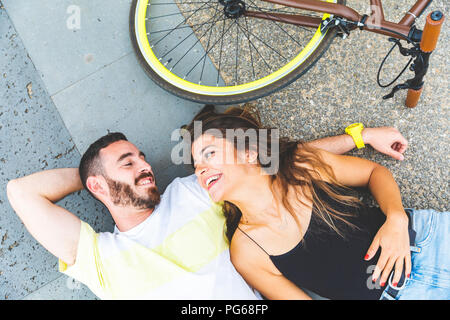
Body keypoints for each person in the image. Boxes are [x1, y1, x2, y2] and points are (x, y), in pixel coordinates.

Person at [7, 117, 410, 299]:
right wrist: (93, 175)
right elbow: (21, 193)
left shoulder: (194, 192)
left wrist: (360, 136)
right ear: (97, 184)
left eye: (142, 157)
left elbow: (276, 163)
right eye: (128, 163)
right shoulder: (99, 257)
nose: (145, 166)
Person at [187, 105, 450, 300]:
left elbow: (373, 173)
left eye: (209, 154)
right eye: (197, 165)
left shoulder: (299, 165)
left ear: (249, 152)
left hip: (426, 241)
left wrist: (395, 218)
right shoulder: (246, 253)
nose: (201, 169)